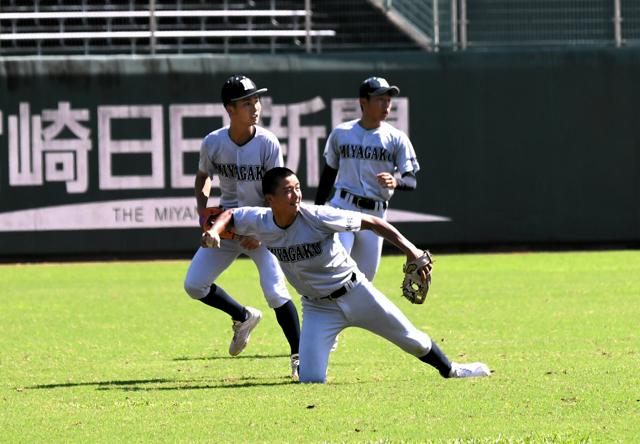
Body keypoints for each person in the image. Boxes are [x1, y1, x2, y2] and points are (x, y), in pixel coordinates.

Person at [203, 167, 491, 383]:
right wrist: (214, 232)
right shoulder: (261, 220)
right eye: (288, 190)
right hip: (317, 307)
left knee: (412, 339)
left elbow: (374, 222)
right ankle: (312, 357)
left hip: (355, 292)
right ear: (270, 199)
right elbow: (230, 214)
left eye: (298, 187)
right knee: (311, 379)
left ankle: (452, 369)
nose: (296, 195)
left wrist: (411, 250)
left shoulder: (317, 216)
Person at [183, 75, 301, 379]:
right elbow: (203, 177)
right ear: (230, 109)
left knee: (275, 292)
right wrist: (202, 212)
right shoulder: (213, 142)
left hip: (263, 225)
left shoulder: (266, 142)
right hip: (228, 225)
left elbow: (277, 188)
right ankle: (243, 316)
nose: (255, 107)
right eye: (246, 102)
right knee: (194, 285)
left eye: (256, 100)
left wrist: (262, 230)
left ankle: (299, 356)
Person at [314, 76, 420, 282]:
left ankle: (349, 314)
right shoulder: (342, 133)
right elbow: (328, 175)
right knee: (338, 267)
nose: (386, 104)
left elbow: (412, 180)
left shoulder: (396, 138)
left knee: (364, 281)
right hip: (342, 207)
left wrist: (396, 181)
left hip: (375, 216)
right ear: (363, 102)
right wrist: (317, 214)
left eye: (388, 99)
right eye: (380, 98)